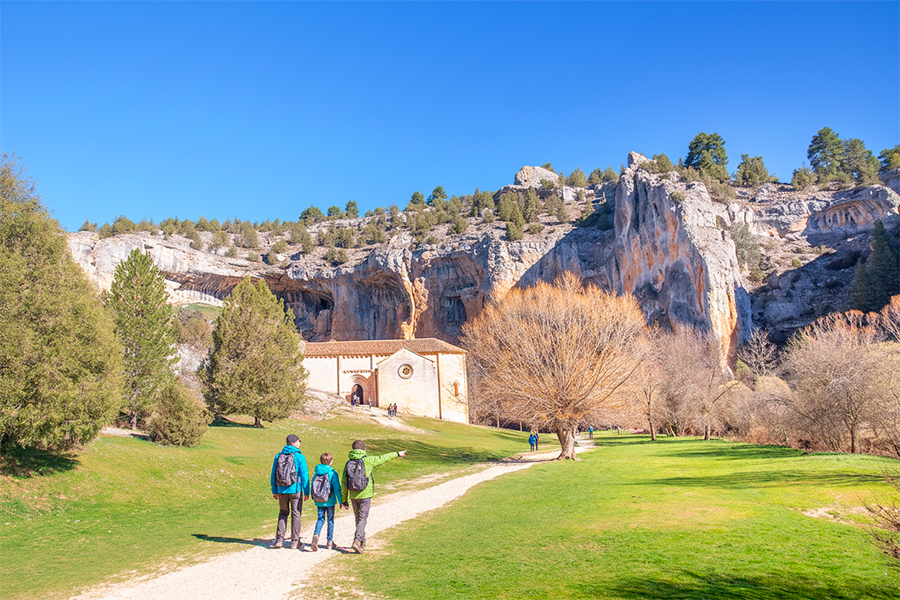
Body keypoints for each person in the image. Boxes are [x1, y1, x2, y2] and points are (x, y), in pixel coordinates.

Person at [341, 439, 406, 553]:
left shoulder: (348, 463)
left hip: (353, 495)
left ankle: (362, 544)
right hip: (365, 494)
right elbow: (383, 458)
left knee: (359, 519)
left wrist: (344, 499)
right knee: (363, 518)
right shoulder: (368, 460)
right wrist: (397, 454)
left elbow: (344, 482)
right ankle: (357, 541)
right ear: (363, 449)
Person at [269, 434, 310, 549]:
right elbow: (304, 475)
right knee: (296, 514)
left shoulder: (278, 456)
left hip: (281, 490)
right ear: (295, 443)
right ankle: (294, 542)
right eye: (299, 442)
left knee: (283, 512)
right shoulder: (299, 456)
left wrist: (274, 490)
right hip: (295, 489)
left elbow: (273, 474)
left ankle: (279, 540)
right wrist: (306, 491)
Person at [310, 452, 343, 551]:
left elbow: (313, 485)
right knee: (330, 520)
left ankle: (316, 535)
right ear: (331, 462)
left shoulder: (317, 472)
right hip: (330, 500)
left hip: (319, 500)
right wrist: (341, 501)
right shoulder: (332, 473)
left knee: (320, 519)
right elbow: (337, 488)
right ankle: (329, 542)